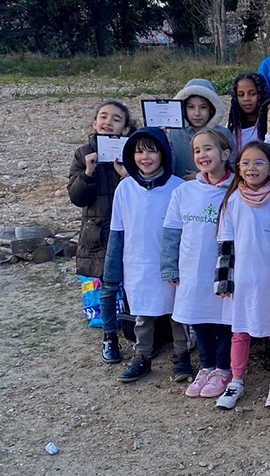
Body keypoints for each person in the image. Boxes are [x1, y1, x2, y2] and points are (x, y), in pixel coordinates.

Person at [213, 142, 270, 411]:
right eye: (246, 163)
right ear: (237, 167)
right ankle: (236, 380)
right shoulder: (232, 201)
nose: (252, 168)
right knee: (239, 333)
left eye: (259, 162)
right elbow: (226, 244)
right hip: (242, 282)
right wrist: (223, 280)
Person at [102, 127, 187, 382]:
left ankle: (182, 357)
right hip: (137, 261)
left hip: (172, 262)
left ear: (163, 153)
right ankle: (142, 356)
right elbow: (117, 232)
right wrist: (112, 271)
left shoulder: (179, 188)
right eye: (139, 151)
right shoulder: (125, 189)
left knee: (178, 313)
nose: (145, 157)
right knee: (143, 314)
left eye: (151, 150)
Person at [161, 128, 236, 397]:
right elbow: (172, 231)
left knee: (224, 319)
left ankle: (223, 368)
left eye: (208, 148)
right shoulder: (185, 192)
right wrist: (169, 265)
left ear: (225, 154)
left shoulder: (237, 189)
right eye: (197, 150)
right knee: (199, 317)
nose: (202, 155)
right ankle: (206, 366)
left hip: (225, 268)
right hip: (192, 268)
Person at [67, 101, 133, 363]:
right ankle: (109, 336)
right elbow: (77, 197)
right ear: (94, 123)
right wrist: (88, 172)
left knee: (131, 283)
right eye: (103, 117)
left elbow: (143, 191)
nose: (108, 121)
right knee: (106, 285)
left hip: (128, 230)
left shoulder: (133, 152)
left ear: (126, 128)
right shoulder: (83, 153)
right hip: (97, 232)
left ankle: (135, 329)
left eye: (116, 119)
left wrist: (125, 174)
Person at [167, 79, 230, 180]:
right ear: (183, 108)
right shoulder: (172, 133)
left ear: (211, 109)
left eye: (203, 107)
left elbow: (232, 166)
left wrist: (201, 177)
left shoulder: (223, 134)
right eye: (191, 107)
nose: (197, 113)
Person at [228, 73, 270, 150]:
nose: (246, 99)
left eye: (252, 94)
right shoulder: (231, 128)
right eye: (241, 95)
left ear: (261, 94)